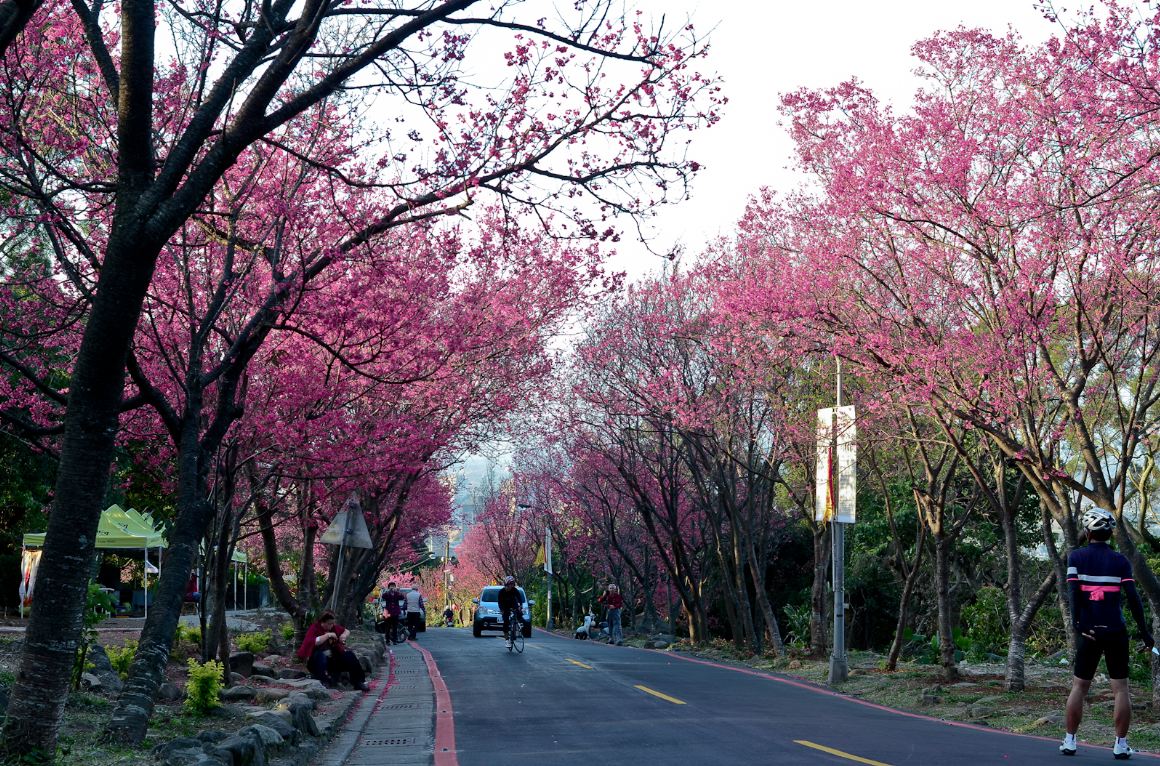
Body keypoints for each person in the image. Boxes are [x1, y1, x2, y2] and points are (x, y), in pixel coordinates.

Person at [1060, 508, 1153, 759]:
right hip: (1115, 631)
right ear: (1110, 533)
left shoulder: (1076, 558)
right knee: (1121, 689)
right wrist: (1145, 632)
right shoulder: (1120, 561)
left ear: (1088, 532)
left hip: (1089, 631)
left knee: (1079, 686)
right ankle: (1120, 745)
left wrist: (1078, 626)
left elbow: (1073, 595)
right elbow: (1133, 599)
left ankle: (1070, 741)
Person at [296, 610, 369, 692]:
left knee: (349, 655)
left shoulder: (333, 627)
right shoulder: (314, 628)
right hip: (316, 662)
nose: (331, 625)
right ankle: (324, 681)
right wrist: (328, 635)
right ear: (322, 622)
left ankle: (358, 682)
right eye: (329, 623)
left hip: (333, 660)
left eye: (332, 623)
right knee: (321, 655)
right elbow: (314, 641)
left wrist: (343, 636)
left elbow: (346, 631)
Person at [497, 576, 523, 648]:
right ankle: (507, 640)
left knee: (519, 611)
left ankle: (519, 623)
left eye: (512, 584)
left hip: (513, 604)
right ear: (506, 584)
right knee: (505, 621)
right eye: (510, 584)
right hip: (505, 606)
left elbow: (519, 598)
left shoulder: (514, 590)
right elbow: (500, 603)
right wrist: (502, 610)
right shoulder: (501, 592)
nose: (511, 586)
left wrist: (520, 606)